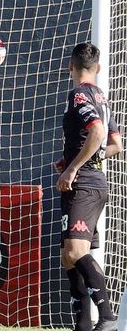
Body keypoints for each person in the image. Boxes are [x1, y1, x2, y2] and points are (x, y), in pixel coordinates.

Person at [54, 43, 122, 331]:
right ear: (99, 68)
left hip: (84, 183)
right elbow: (116, 145)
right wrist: (76, 159)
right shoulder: (102, 99)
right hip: (93, 181)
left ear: (70, 66)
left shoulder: (79, 94)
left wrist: (73, 168)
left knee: (75, 252)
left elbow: (95, 132)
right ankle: (82, 325)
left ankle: (106, 316)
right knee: (68, 256)